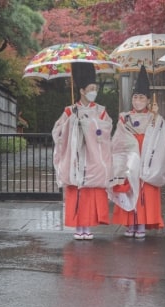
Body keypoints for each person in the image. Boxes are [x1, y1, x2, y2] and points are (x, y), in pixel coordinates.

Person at [109, 65, 165, 239]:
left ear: (147, 100)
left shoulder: (155, 118)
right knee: (129, 190)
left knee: (144, 192)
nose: (138, 100)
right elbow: (118, 139)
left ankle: (142, 224)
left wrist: (157, 122)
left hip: (147, 161)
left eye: (141, 97)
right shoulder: (125, 117)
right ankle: (130, 223)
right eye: (135, 97)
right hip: (130, 160)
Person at [52, 62, 113, 240]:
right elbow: (57, 133)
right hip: (75, 158)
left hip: (94, 159)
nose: (94, 91)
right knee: (77, 191)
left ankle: (89, 226)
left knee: (90, 192)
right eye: (91, 88)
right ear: (82, 90)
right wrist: (71, 123)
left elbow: (106, 130)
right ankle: (79, 227)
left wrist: (91, 126)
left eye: (95, 88)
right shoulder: (70, 111)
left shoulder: (101, 111)